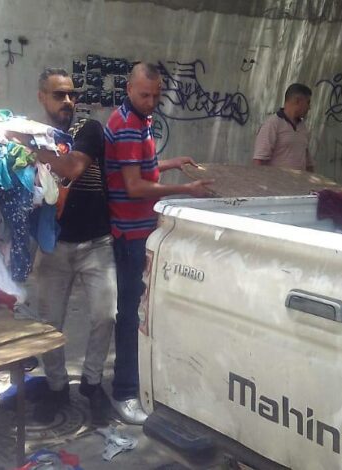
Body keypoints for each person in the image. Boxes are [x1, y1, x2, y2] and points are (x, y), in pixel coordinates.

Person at [105, 62, 212, 424]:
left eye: (155, 95)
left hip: (140, 229)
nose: (151, 101)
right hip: (129, 233)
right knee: (130, 314)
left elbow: (141, 167)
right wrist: (186, 190)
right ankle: (124, 393)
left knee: (140, 310)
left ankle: (138, 382)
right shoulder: (126, 125)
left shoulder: (139, 119)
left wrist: (170, 163)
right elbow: (134, 186)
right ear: (129, 89)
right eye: (144, 95)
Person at [31, 67, 115, 425]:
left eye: (71, 94)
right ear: (42, 98)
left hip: (96, 243)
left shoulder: (87, 129)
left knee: (106, 315)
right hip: (53, 245)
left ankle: (92, 385)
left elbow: (72, 167)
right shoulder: (34, 135)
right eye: (59, 95)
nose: (68, 101)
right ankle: (56, 387)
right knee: (50, 324)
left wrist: (29, 149)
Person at [252, 83, 315, 172]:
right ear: (297, 101)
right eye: (308, 102)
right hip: (277, 180)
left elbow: (308, 162)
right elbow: (259, 161)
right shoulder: (272, 124)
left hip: (300, 180)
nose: (309, 107)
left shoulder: (303, 127)